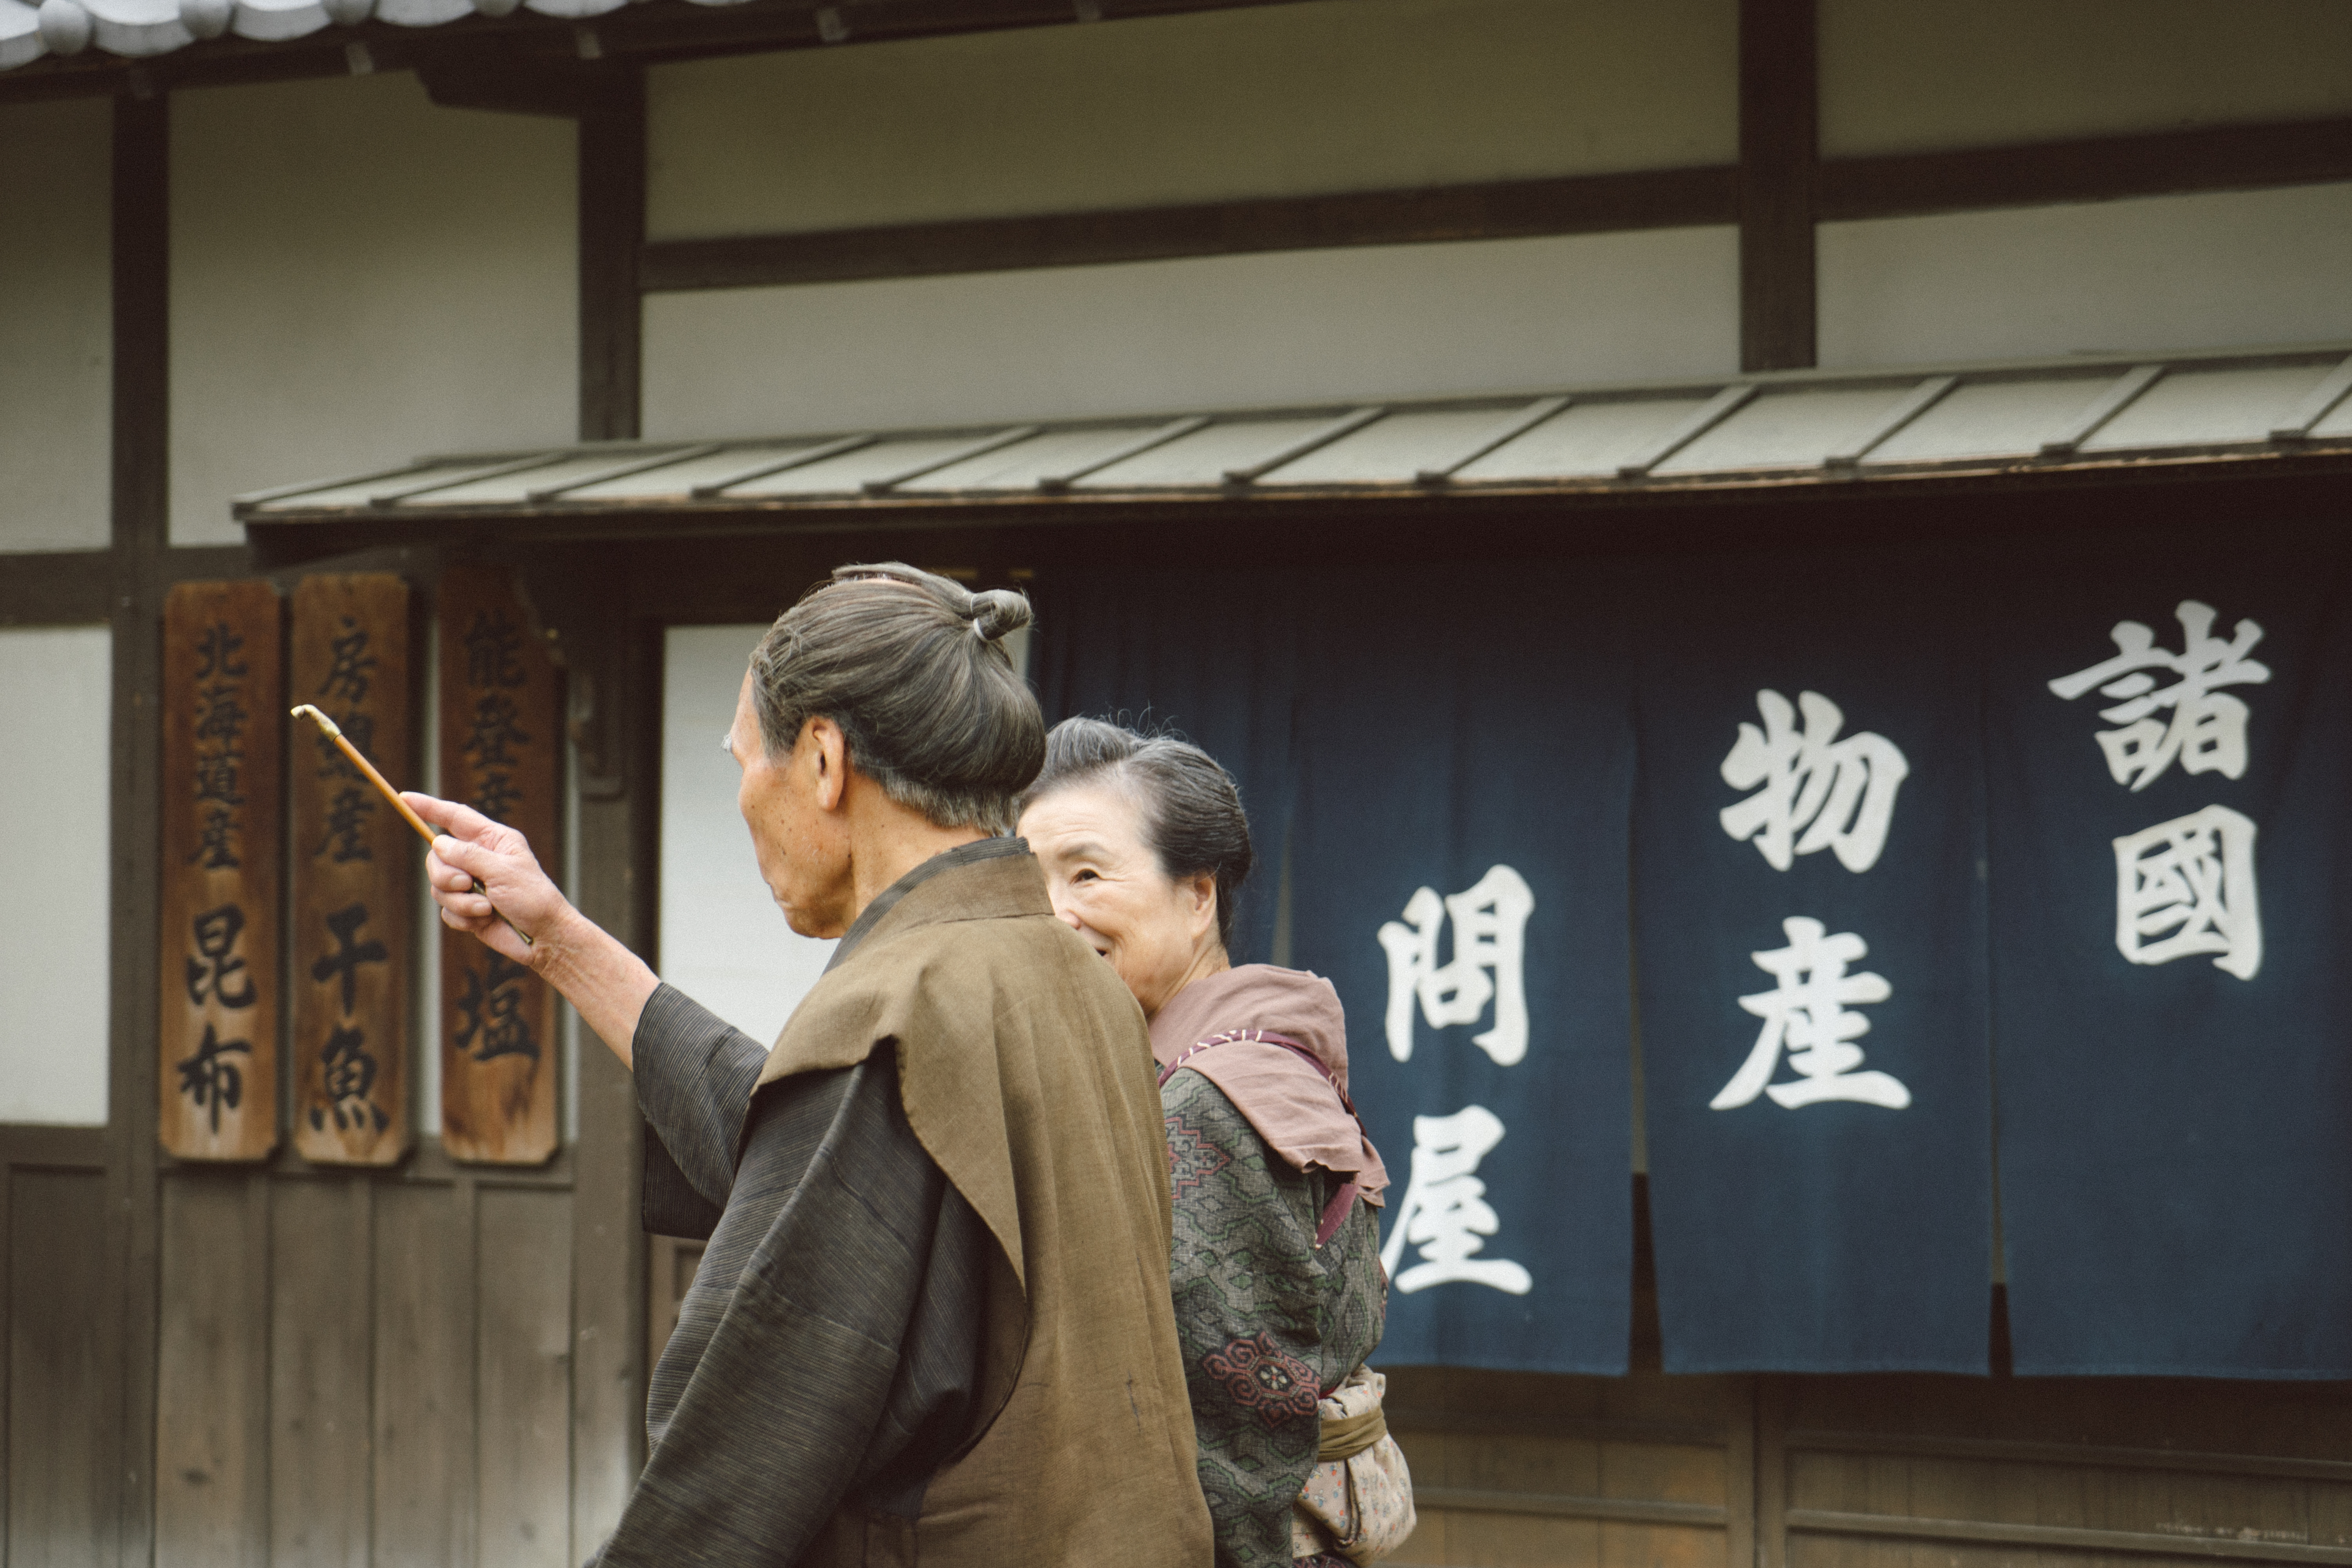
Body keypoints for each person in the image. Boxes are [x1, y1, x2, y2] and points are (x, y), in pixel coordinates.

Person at [408, 565, 1212, 1568]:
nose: (746, 795)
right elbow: (810, 1155)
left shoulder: (895, 1009)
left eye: (747, 760)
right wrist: (563, 942)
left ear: (824, 760)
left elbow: (746, 1446)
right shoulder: (1065, 971)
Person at [1016, 719, 1395, 1568]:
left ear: (1197, 896)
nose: (1055, 915)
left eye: (1086, 873)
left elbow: (1233, 1438)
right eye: (1032, 882)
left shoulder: (1213, 1098)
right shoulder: (1208, 1063)